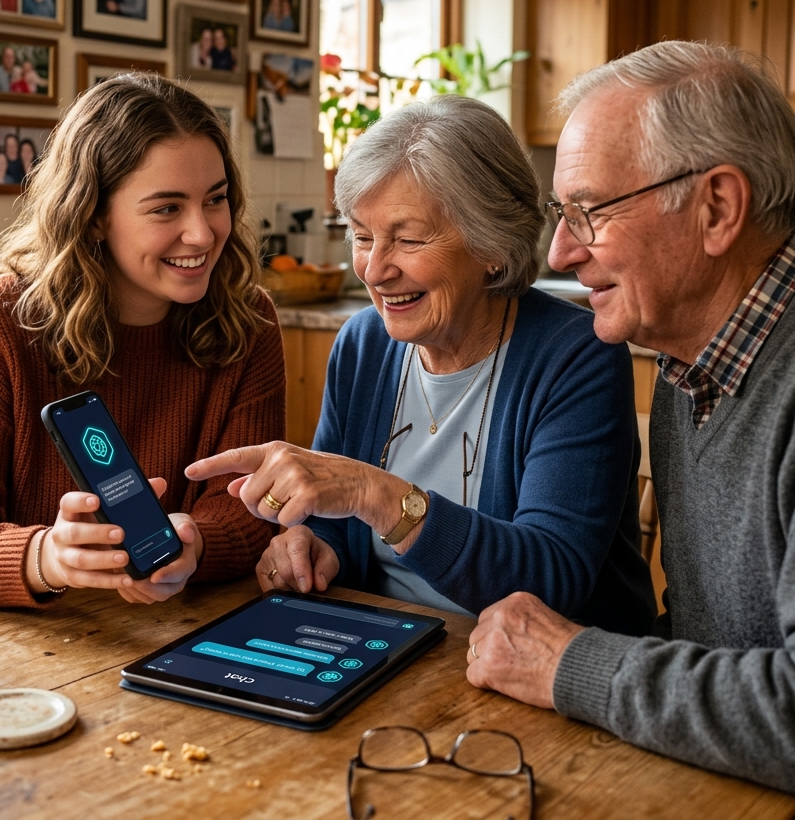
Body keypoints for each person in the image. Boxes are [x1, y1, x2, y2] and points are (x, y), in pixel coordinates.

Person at [457, 42, 795, 795]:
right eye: (560, 213)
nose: (560, 250)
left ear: (716, 207)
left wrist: (569, 663)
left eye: (589, 211)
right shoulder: (690, 361)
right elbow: (714, 640)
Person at [187, 96, 656, 637]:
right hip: (388, 644)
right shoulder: (363, 344)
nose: (376, 269)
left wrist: (376, 495)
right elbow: (336, 525)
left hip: (542, 676)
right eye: (362, 237)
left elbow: (551, 580)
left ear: (492, 246)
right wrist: (312, 547)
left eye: (408, 239)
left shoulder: (576, 355)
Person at [0, 75, 286, 608]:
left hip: (178, 630)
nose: (202, 233)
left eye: (215, 199)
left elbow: (245, 507)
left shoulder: (250, 321)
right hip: (28, 648)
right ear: (95, 215)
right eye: (166, 208)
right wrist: (48, 557)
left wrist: (193, 546)